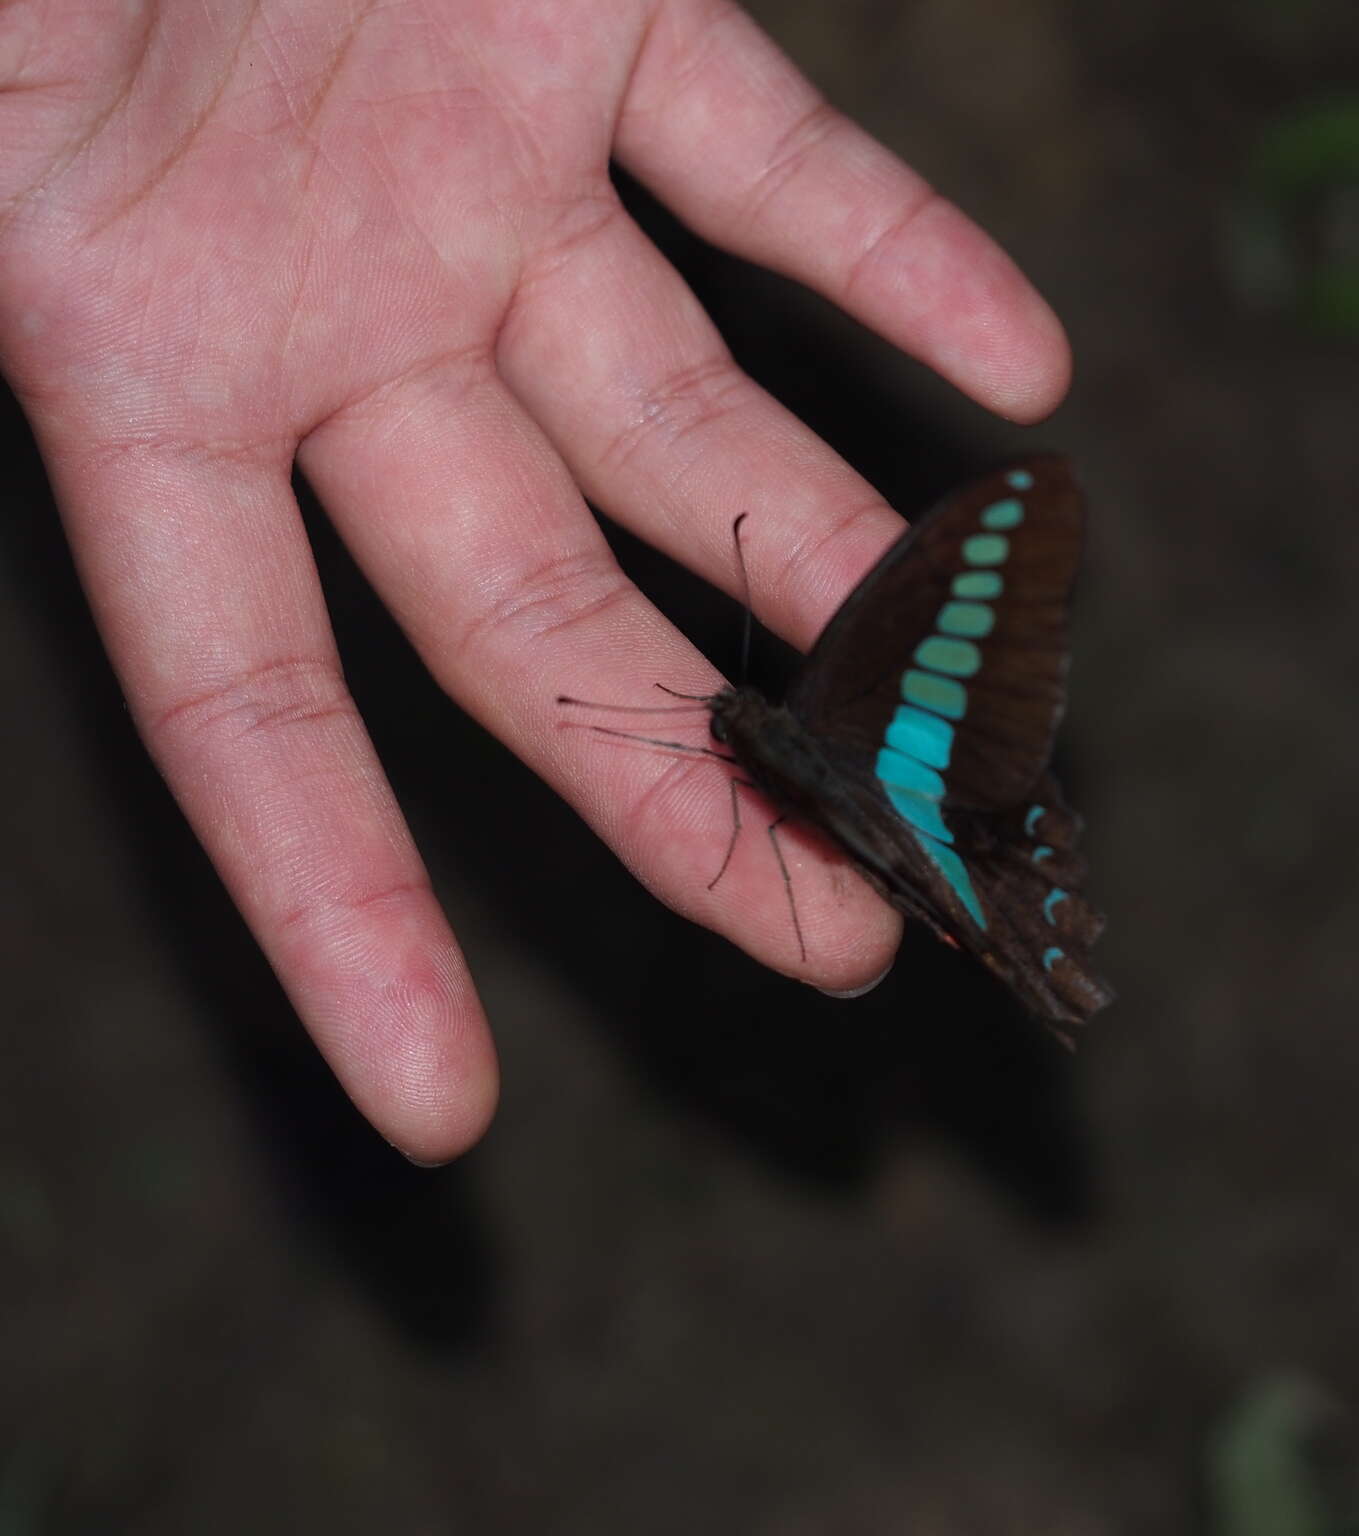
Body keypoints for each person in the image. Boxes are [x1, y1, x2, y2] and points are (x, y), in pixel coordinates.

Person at [0, 0, 1070, 1164]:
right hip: (904, 792)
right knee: (893, 813)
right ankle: (991, 892)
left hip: (906, 808)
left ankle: (986, 895)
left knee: (886, 832)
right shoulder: (811, 717)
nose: (722, 720)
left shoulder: (773, 744)